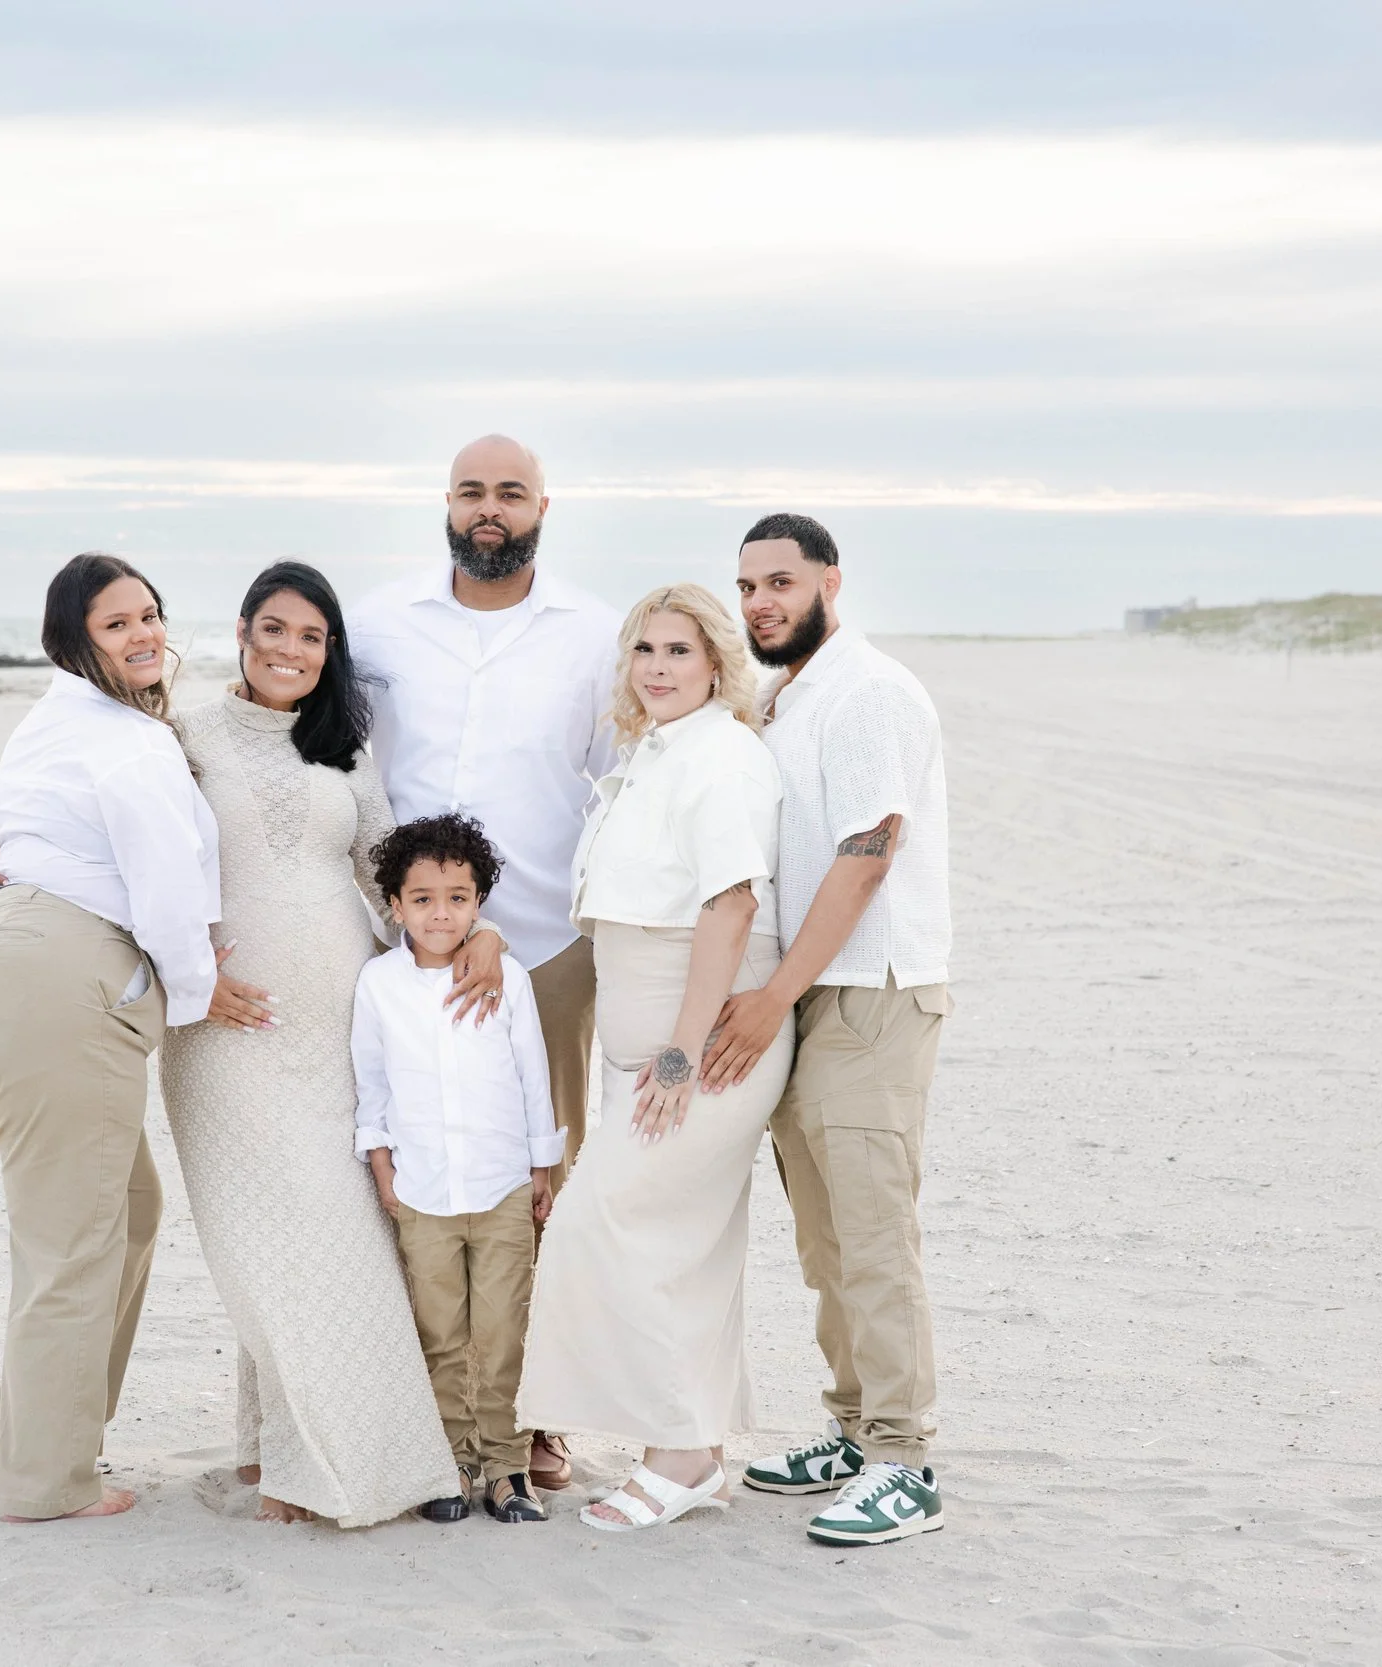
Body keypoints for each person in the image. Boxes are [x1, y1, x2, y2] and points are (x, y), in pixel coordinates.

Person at [0, 561, 498, 1526]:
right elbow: (99, 821)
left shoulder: (346, 746)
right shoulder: (181, 734)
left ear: (329, 650)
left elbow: (390, 870)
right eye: (273, 630)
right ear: (243, 633)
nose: (290, 650)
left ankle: (273, 1454)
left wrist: (478, 931)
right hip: (224, 1030)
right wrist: (6, 854)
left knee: (342, 1225)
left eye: (311, 636)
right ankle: (330, 1467)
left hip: (340, 1028)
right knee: (282, 1231)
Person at [348, 433, 621, 1493]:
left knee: (534, 1183)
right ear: (446, 504)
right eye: (472, 492)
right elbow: (299, 734)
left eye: (510, 491)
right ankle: (415, 1401)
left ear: (546, 505)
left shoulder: (594, 635)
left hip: (546, 948)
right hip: (393, 951)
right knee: (397, 1166)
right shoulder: (379, 625)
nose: (489, 509)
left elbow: (619, 787)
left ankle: (534, 1416)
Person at [0, 552, 216, 1523]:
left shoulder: (60, 719)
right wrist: (196, 999)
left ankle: (28, 1422)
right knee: (76, 1238)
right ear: (74, 643)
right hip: (52, 990)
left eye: (150, 615)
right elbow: (169, 896)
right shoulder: (131, 745)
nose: (143, 634)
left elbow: (38, 831)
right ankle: (48, 1481)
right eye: (116, 624)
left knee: (126, 1208)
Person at [515, 583, 794, 1532]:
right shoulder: (649, 754)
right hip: (644, 1039)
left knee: (607, 1222)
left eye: (680, 650)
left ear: (717, 660)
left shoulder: (723, 755)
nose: (659, 667)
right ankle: (695, 1455)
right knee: (682, 1245)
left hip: (700, 1045)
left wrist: (680, 1053)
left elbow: (730, 904)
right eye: (644, 649)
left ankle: (676, 1451)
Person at [704, 512, 953, 1547]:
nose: (761, 601)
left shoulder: (867, 692)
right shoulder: (784, 697)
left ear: (828, 583)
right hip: (808, 991)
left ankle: (903, 1458)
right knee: (824, 1236)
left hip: (870, 988)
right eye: (748, 585)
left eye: (781, 582)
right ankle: (851, 1430)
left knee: (871, 1229)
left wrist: (772, 998)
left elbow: (867, 850)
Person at [353, 814, 565, 1526]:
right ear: (394, 905)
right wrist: (382, 1168)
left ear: (479, 905)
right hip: (421, 1188)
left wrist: (541, 1166)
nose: (440, 912)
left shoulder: (510, 979)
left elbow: (534, 1074)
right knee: (440, 1331)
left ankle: (506, 1466)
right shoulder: (379, 985)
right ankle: (451, 1459)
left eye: (457, 897)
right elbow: (371, 1083)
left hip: (502, 1181)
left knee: (503, 1328)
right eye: (422, 898)